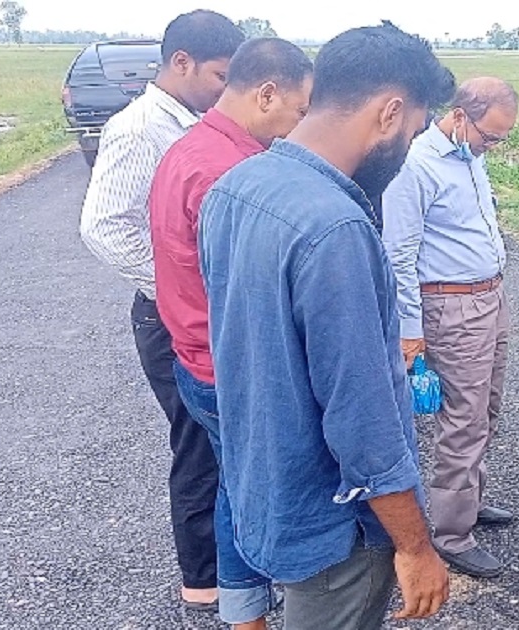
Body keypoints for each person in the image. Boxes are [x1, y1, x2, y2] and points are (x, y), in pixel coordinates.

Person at [196, 24, 456, 629]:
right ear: (390, 113)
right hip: (334, 523)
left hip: (264, 483)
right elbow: (361, 419)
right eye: (415, 130)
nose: (408, 146)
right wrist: (416, 547)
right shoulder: (335, 229)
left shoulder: (236, 187)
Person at [78, 9, 245, 612]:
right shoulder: (140, 126)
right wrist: (173, 285)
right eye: (220, 75)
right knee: (199, 444)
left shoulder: (191, 120)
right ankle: (202, 580)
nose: (226, 89)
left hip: (192, 307)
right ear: (181, 63)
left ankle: (229, 569)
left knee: (220, 440)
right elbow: (103, 228)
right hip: (168, 314)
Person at [148, 37, 314, 629]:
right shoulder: (234, 172)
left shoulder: (188, 148)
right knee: (258, 492)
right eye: (298, 110)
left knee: (231, 484)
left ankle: (242, 609)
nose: (298, 125)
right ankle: (260, 607)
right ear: (267, 92)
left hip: (193, 355)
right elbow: (256, 295)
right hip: (230, 366)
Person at [381, 78, 519, 579]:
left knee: (488, 407)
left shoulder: (470, 155)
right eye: (491, 136)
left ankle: (467, 500)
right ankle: (451, 534)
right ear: (460, 116)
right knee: (462, 418)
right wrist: (411, 330)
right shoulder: (415, 166)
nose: (493, 146)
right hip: (450, 307)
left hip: (490, 295)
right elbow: (399, 254)